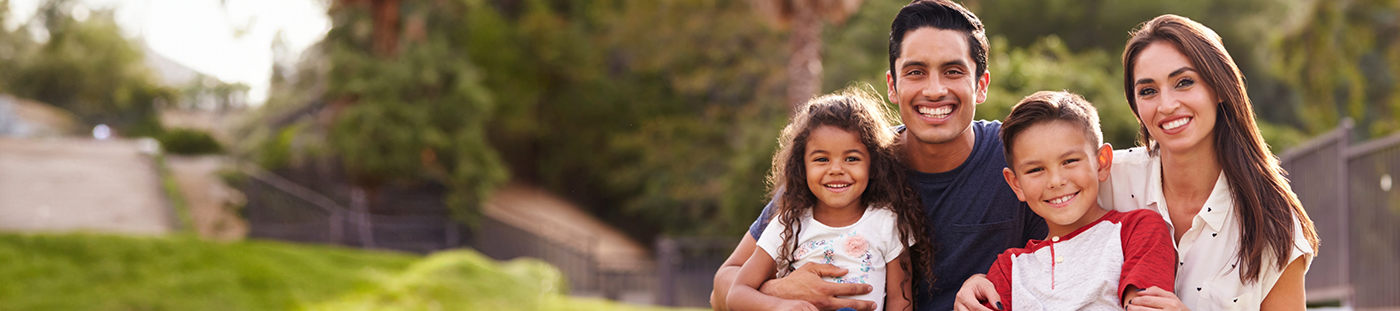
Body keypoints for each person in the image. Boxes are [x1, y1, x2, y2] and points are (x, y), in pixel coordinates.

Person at [954, 14, 1321, 311]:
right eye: (1148, 90)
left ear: (1220, 88)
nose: (1166, 105)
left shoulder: (1273, 222)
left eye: (1184, 82)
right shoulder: (1104, 177)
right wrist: (980, 283)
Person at [711, 1, 1047, 310]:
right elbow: (722, 288)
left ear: (981, 85)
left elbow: (1075, 257)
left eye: (953, 71)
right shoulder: (846, 168)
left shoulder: (1019, 157)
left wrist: (998, 284)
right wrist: (781, 291)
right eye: (916, 72)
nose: (934, 90)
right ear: (892, 85)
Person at [726, 89, 936, 311]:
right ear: (802, 167)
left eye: (852, 158)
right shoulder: (787, 224)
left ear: (873, 166)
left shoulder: (887, 222)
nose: (836, 169)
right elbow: (737, 294)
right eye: (822, 159)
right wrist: (779, 306)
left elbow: (900, 302)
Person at [986, 90, 1177, 310]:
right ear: (1016, 184)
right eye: (1036, 169)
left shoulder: (1136, 231)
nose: (1056, 181)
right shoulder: (1009, 269)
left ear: (1101, 163)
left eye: (1069, 161)